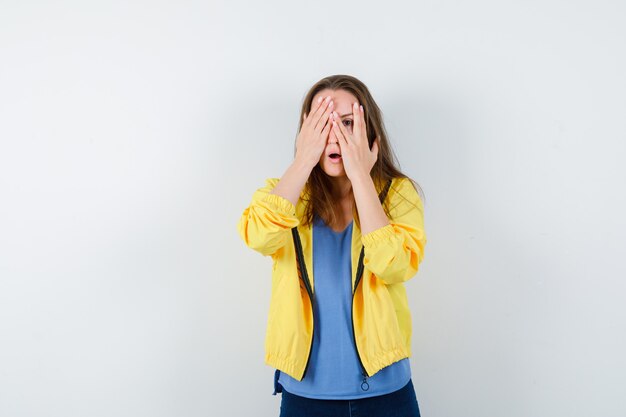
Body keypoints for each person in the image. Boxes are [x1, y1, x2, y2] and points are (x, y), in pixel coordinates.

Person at [237, 74, 427, 417]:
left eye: (348, 123)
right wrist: (302, 162)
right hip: (305, 395)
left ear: (369, 132)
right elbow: (258, 236)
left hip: (387, 393)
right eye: (322, 123)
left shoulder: (397, 194)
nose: (334, 134)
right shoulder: (283, 195)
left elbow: (395, 265)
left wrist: (361, 178)